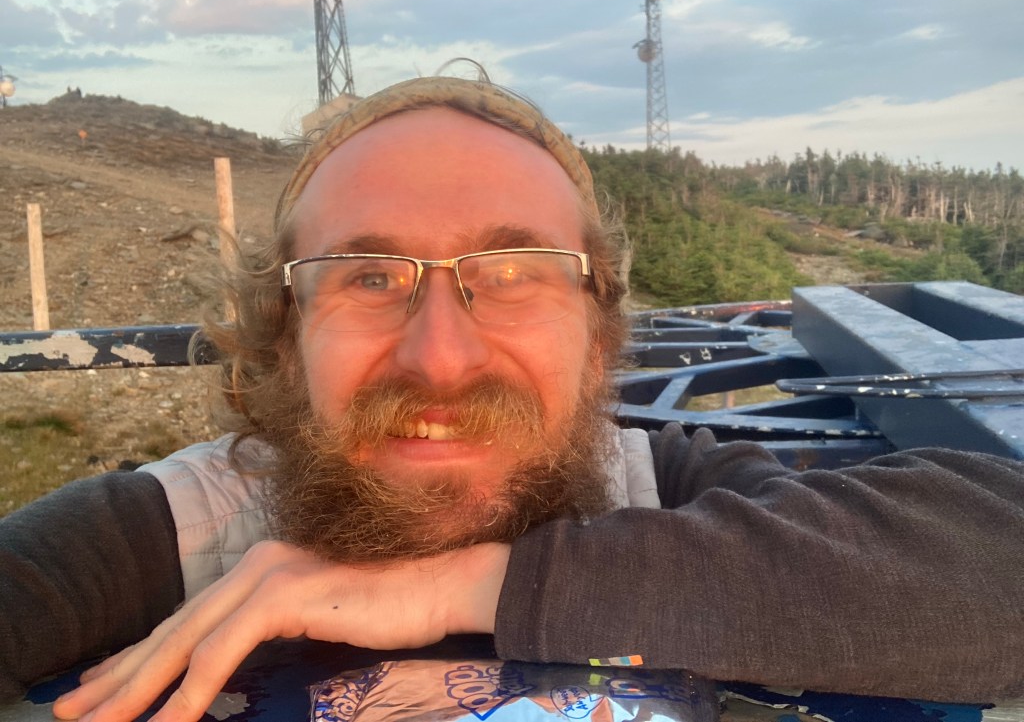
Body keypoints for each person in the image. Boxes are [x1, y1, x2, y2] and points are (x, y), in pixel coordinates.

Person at [1, 71, 1023, 722]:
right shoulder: (178, 529)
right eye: (368, 277)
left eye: (515, 273)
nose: (441, 358)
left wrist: (466, 585)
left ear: (598, 336)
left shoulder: (654, 486)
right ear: (286, 338)